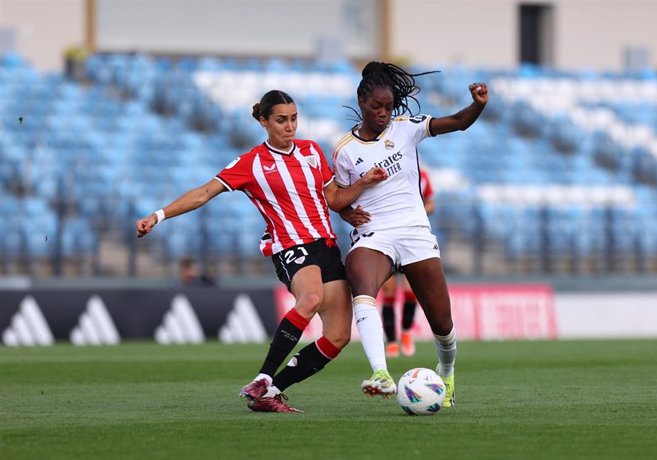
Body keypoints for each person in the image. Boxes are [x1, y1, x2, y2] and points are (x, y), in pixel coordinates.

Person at [136, 89, 387, 413]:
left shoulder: (311, 151)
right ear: (263, 121)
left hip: (326, 247)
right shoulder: (252, 163)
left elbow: (333, 199)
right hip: (291, 246)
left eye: (294, 118)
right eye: (281, 120)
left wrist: (361, 186)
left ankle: (271, 391)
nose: (290, 126)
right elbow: (203, 193)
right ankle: (264, 376)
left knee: (338, 336)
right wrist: (158, 215)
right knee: (309, 299)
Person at [332, 61, 488, 407]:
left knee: (442, 323)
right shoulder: (344, 150)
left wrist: (477, 105)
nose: (384, 113)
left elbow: (458, 123)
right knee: (360, 282)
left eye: (389, 107)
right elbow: (337, 197)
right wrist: (346, 212)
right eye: (377, 106)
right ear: (361, 102)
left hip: (415, 231)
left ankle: (446, 374)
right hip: (374, 233)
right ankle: (380, 374)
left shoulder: (407, 128)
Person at [380, 167, 435, 358]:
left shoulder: (422, 176)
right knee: (388, 292)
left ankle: (406, 332)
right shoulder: (387, 172)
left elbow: (431, 204)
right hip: (386, 239)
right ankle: (391, 341)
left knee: (410, 291)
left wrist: (417, 211)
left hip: (410, 239)